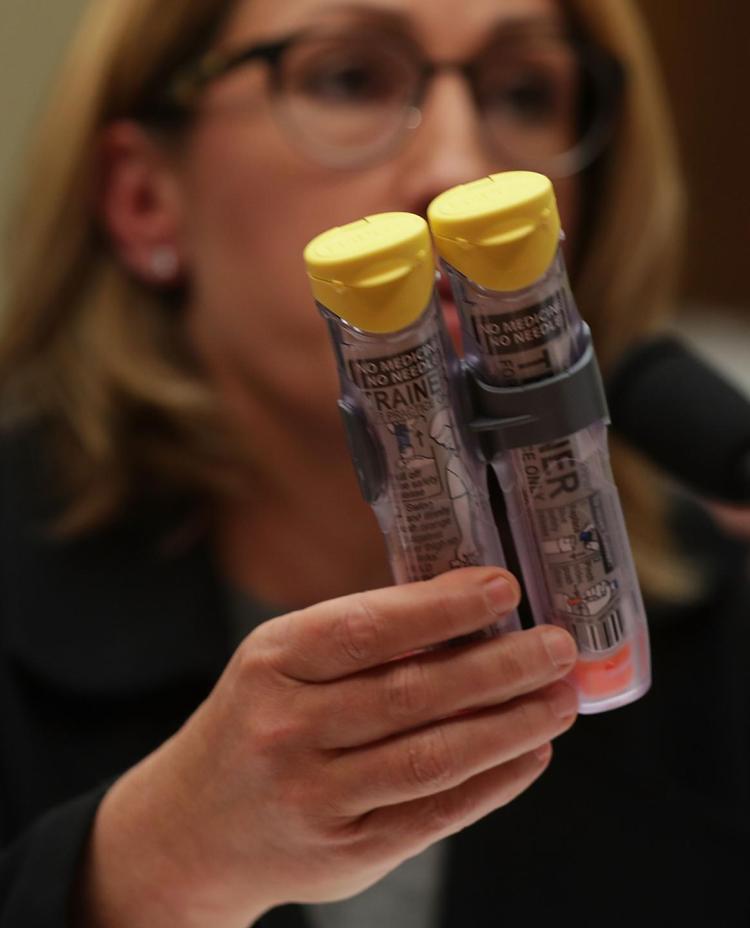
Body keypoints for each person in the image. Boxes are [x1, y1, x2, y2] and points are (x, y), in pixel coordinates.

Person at [0, 1, 748, 926]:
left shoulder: (719, 618)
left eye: (523, 91)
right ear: (144, 198)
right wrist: (148, 869)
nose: (459, 167)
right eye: (349, 78)